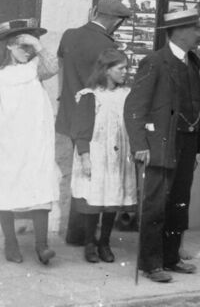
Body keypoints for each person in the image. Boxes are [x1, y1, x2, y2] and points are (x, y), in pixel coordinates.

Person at [124, 9, 200, 283]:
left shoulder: (192, 63)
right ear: (178, 31)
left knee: (179, 203)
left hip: (186, 144)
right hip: (160, 145)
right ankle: (150, 264)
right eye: (195, 28)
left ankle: (171, 258)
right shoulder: (155, 61)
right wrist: (139, 144)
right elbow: (134, 107)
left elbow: (192, 102)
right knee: (155, 205)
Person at [0, 18, 61, 264]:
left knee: (39, 186)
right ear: (9, 46)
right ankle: (10, 243)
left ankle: (42, 246)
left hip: (35, 141)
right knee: (6, 189)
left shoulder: (35, 70)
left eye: (30, 47)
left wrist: (38, 47)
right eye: (22, 47)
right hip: (7, 141)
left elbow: (53, 67)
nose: (27, 52)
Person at [56, 0, 133, 246]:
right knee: (93, 178)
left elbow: (60, 66)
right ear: (113, 21)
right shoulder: (106, 46)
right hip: (95, 121)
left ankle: (72, 234)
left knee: (73, 176)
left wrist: (64, 96)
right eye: (119, 22)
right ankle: (83, 237)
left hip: (67, 114)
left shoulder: (69, 35)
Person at [70, 48, 136, 264]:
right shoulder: (91, 95)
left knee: (112, 198)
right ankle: (90, 243)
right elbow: (81, 130)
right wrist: (85, 157)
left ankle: (104, 242)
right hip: (97, 153)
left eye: (126, 68)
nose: (125, 72)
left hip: (118, 155)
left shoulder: (126, 94)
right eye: (121, 68)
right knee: (95, 199)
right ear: (107, 71)